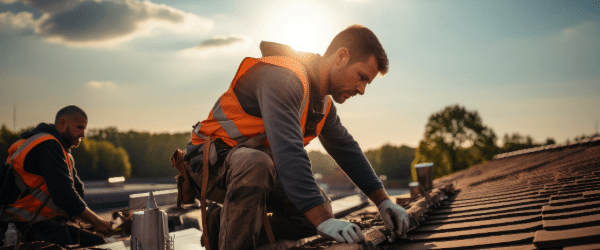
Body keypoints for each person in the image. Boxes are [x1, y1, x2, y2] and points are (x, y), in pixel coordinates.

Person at [182, 24, 409, 250]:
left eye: (367, 83)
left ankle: (220, 226)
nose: (361, 90)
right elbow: (288, 152)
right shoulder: (283, 78)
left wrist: (383, 201)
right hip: (208, 163)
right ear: (341, 57)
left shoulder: (322, 103)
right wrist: (323, 220)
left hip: (253, 171)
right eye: (361, 77)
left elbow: (347, 150)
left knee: (313, 211)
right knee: (265, 170)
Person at [0, 105, 112, 247]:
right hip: (19, 225)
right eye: (79, 127)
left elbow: (77, 192)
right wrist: (97, 222)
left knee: (97, 242)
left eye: (84, 129)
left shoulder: (63, 152)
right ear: (62, 124)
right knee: (62, 243)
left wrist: (93, 221)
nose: (83, 134)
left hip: (42, 222)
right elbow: (65, 196)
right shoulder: (47, 146)